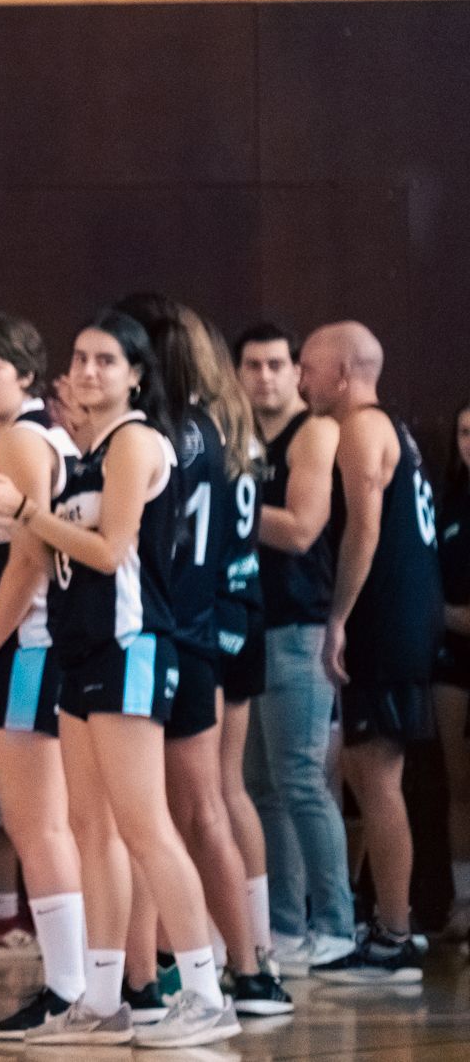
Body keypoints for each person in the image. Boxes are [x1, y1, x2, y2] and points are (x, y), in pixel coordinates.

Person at [0, 311, 237, 1046]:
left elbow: (111, 551)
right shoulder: (85, 452)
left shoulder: (137, 441)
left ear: (136, 374)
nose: (86, 370)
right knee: (89, 829)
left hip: (132, 645)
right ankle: (102, 996)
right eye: (79, 357)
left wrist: (24, 512)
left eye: (105, 360)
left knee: (146, 826)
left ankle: (209, 992)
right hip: (82, 653)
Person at [113, 296, 285, 1017]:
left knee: (177, 812)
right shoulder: (215, 425)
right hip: (210, 623)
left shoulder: (158, 436)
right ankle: (238, 963)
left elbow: (132, 536)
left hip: (172, 630)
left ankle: (225, 969)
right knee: (202, 806)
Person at [0, 312, 90, 1037]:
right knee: (53, 825)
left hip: (26, 645)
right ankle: (80, 983)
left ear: (28, 375)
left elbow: (32, 559)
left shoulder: (22, 439)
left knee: (39, 827)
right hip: (41, 643)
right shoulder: (43, 437)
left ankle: (69, 990)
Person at [300, 322, 443, 982]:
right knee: (369, 774)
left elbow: (366, 528)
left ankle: (394, 934)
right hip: (404, 620)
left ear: (342, 371)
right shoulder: (394, 429)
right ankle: (389, 924)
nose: (302, 381)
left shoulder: (360, 428)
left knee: (377, 778)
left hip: (385, 622)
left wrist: (337, 617)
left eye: (308, 367)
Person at [234, 322, 354, 975]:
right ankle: (284, 923)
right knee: (260, 786)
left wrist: (228, 505)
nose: (267, 376)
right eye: (253, 365)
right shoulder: (241, 441)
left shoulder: (315, 431)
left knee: (303, 778)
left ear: (298, 372)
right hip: (249, 624)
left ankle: (337, 923)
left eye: (278, 364)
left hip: (300, 625)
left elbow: (303, 528)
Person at [438, 400, 470, 941]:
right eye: (465, 431)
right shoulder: (449, 502)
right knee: (458, 785)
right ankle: (464, 901)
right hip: (450, 660)